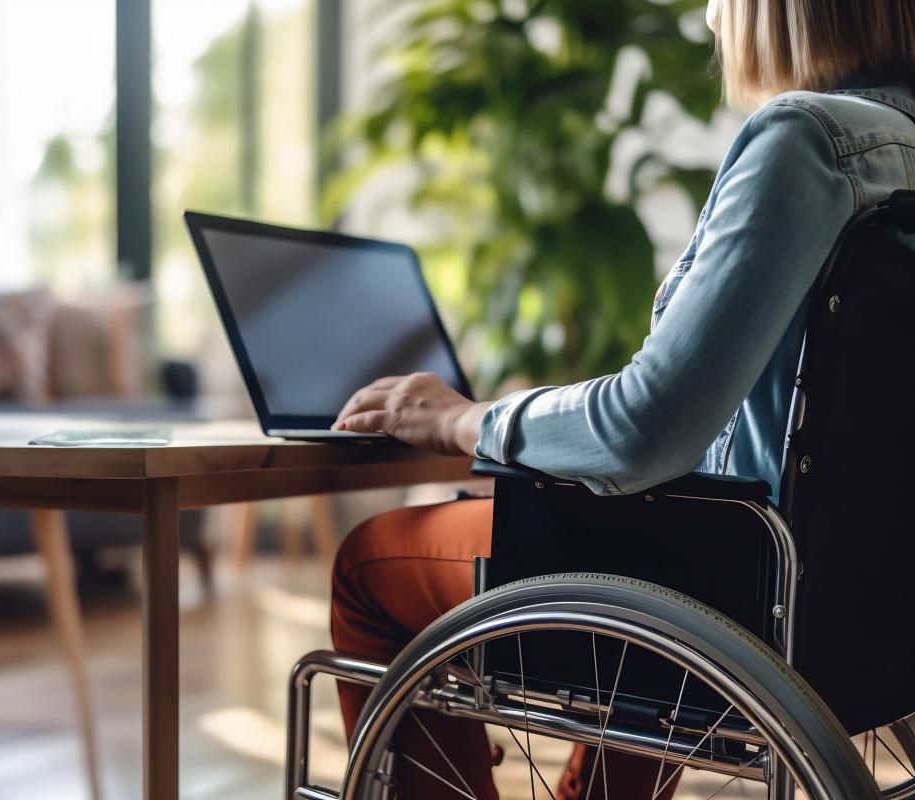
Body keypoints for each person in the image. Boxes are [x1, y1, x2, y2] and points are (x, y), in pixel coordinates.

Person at [328, 0, 915, 797]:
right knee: (638, 544)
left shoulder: (807, 144)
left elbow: (645, 432)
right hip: (876, 606)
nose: (713, 18)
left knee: (370, 562)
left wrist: (460, 418)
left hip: (750, 598)